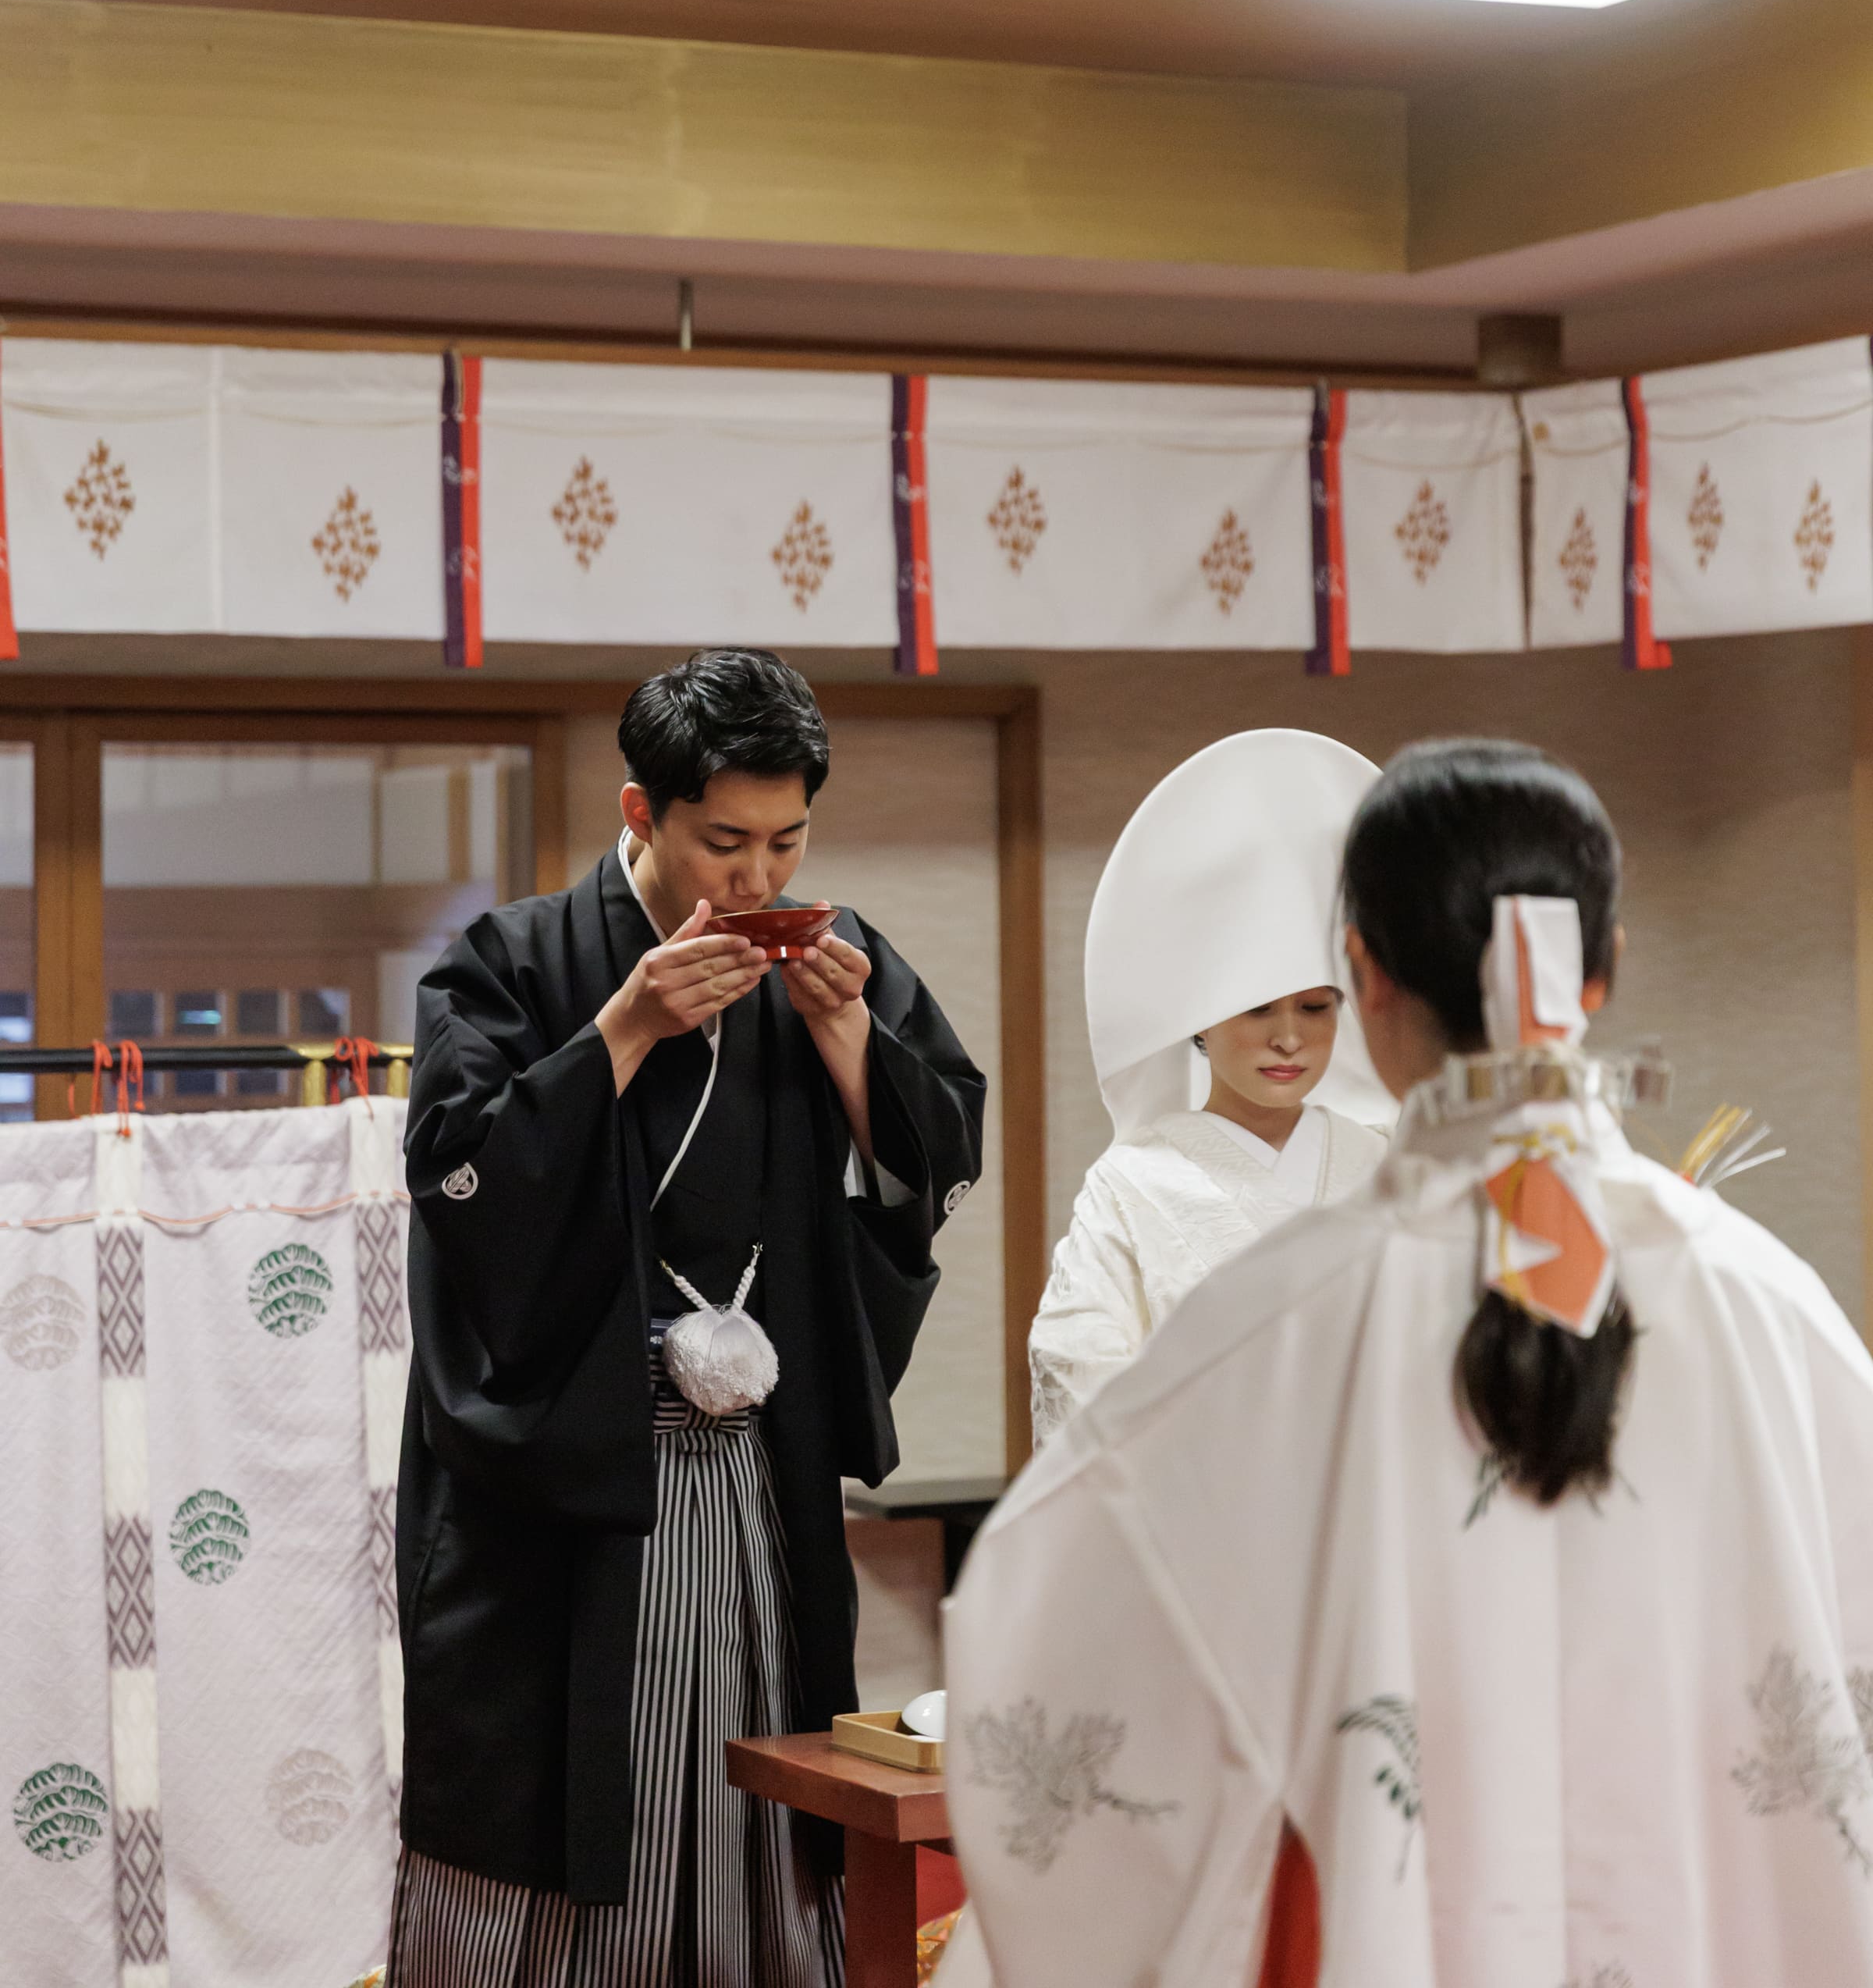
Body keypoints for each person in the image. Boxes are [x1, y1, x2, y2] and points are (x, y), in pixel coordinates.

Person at [944, 739, 1873, 1988]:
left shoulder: (1273, 1325)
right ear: (1603, 970)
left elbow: (1044, 1683)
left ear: (1364, 979)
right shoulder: (1769, 1303)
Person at [387, 649, 985, 1988]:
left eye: (787, 841)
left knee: (764, 1796)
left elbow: (936, 1156)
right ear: (640, 812)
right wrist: (621, 1028)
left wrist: (847, 1049)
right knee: (570, 1803)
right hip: (574, 1482)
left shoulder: (839, 960)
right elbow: (455, 1174)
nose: (758, 880)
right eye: (724, 841)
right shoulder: (517, 958)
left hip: (757, 1477)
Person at [1028, 729, 1393, 1444]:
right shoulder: (1132, 1185)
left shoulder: (1388, 1169)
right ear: (1198, 1021)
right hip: (1200, 1509)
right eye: (1258, 1008)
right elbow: (1075, 1365)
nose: (1289, 1037)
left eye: (1314, 1008)